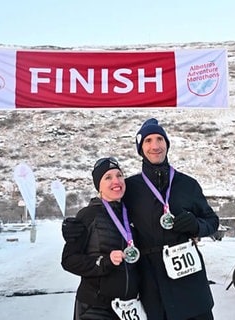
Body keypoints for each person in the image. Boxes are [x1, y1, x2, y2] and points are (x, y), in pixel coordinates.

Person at [63, 118, 219, 320]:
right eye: (148, 141)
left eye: (160, 139)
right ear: (140, 148)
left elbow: (212, 221)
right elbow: (107, 208)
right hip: (150, 284)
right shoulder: (130, 188)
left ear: (167, 144)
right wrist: (73, 227)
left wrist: (197, 226)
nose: (155, 146)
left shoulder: (188, 185)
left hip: (189, 282)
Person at [61, 157, 145, 320]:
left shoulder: (131, 214)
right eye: (108, 177)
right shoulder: (89, 215)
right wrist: (104, 262)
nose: (116, 181)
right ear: (98, 186)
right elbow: (69, 260)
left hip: (129, 307)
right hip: (95, 308)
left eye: (119, 175)